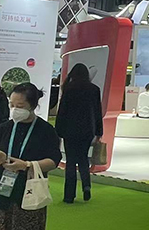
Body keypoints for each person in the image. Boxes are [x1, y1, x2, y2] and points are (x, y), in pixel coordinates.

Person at [0, 83, 61, 230]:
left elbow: (53, 160)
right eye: (11, 105)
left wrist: (27, 165)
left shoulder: (46, 130)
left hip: (30, 191)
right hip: (3, 190)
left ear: (32, 106)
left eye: (20, 106)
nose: (14, 109)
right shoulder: (5, 128)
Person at [55, 63, 103, 203]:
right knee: (83, 159)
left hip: (70, 130)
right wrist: (99, 131)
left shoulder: (68, 88)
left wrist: (58, 130)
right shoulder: (94, 89)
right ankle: (86, 186)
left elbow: (62, 111)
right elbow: (97, 112)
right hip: (87, 130)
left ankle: (69, 195)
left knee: (70, 162)